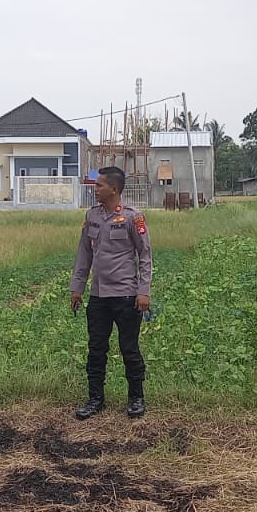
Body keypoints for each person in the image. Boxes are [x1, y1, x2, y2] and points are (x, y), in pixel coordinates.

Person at [70, 166, 153, 420]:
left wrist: (143, 291)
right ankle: (95, 399)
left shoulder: (132, 217)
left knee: (129, 348)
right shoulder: (92, 216)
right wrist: (77, 287)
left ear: (114, 189)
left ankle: (136, 398)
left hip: (126, 295)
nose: (95, 189)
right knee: (96, 349)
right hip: (98, 296)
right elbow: (84, 253)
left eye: (99, 185)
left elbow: (145, 256)